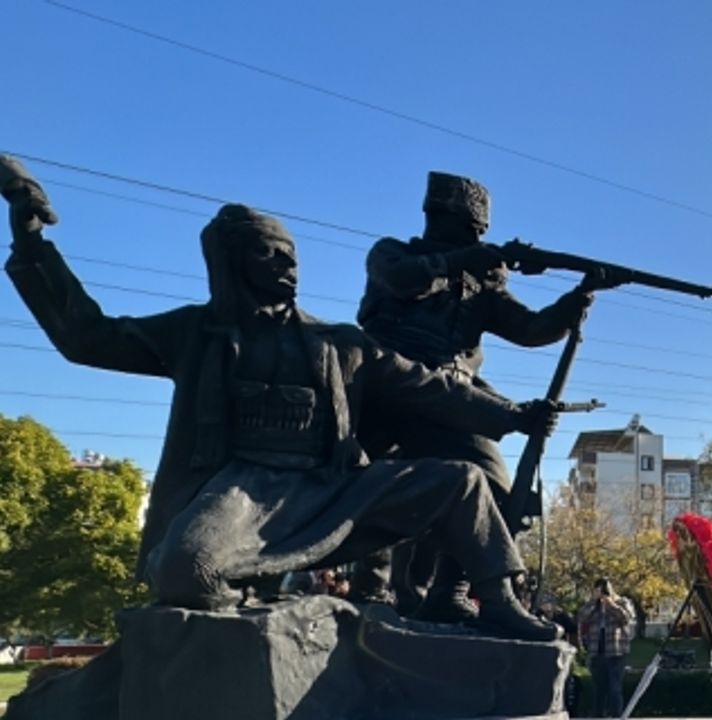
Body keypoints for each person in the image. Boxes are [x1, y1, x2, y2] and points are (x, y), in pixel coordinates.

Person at [0, 160, 560, 641]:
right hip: (240, 494)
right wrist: (29, 238)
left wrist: (514, 416)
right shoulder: (195, 332)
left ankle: (499, 600)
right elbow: (86, 336)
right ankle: (251, 630)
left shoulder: (338, 342)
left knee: (461, 481)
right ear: (234, 262)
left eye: (291, 255)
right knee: (186, 572)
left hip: (327, 491)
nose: (288, 266)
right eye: (270, 255)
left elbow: (427, 387)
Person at [357, 171, 607, 620]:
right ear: (437, 217)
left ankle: (451, 590)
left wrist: (577, 300)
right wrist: (464, 261)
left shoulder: (481, 284)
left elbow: (530, 329)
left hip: (455, 399)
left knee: (495, 488)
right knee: (367, 485)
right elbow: (403, 280)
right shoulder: (394, 254)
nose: (476, 238)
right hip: (389, 387)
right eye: (470, 229)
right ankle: (370, 587)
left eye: (480, 233)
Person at [576, 578, 635, 718]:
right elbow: (581, 617)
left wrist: (611, 604)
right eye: (598, 589)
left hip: (616, 651)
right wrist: (593, 601)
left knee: (615, 689)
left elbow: (626, 618)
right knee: (599, 690)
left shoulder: (622, 602)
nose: (602, 593)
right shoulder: (592, 605)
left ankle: (616, 716)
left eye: (604, 589)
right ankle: (598, 716)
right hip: (597, 651)